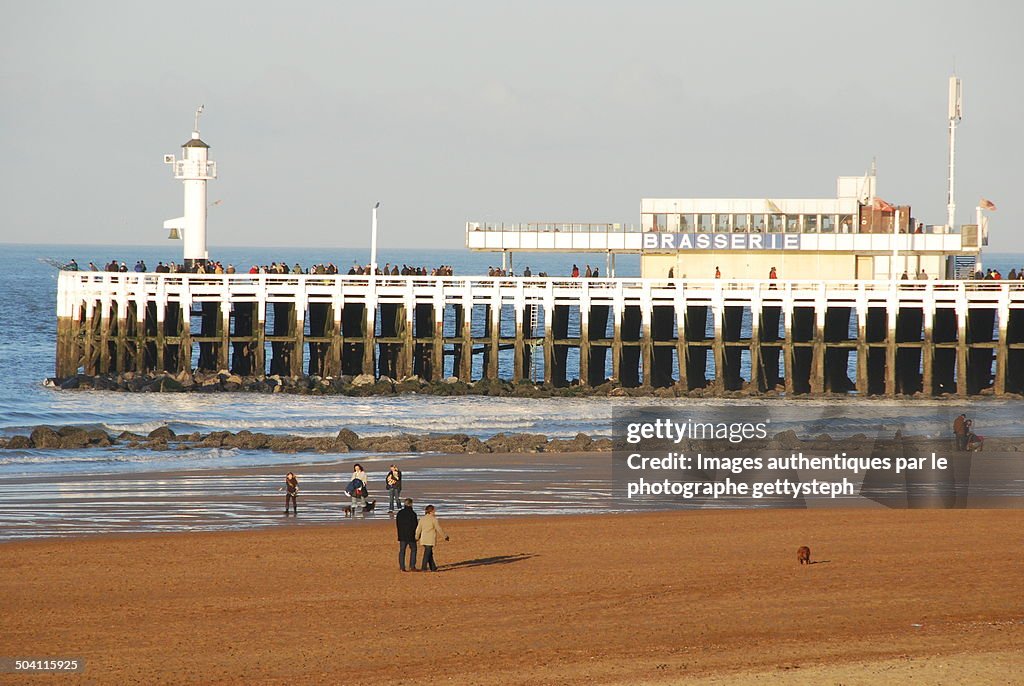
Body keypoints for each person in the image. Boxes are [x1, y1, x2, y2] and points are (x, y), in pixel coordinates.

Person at [415, 505, 448, 572]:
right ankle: (424, 567)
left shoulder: (422, 519)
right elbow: (439, 529)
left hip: (424, 539)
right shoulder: (434, 519)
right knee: (427, 554)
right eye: (434, 511)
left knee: (429, 553)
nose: (434, 512)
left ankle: (433, 567)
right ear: (431, 511)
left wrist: (416, 537)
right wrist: (445, 536)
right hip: (430, 539)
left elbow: (418, 529)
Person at [396, 498, 418, 572]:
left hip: (402, 535)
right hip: (411, 535)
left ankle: (402, 567)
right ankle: (412, 566)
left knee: (402, 551)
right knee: (414, 550)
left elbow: (398, 524)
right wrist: (416, 534)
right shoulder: (413, 514)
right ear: (410, 504)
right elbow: (415, 525)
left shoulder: (400, 513)